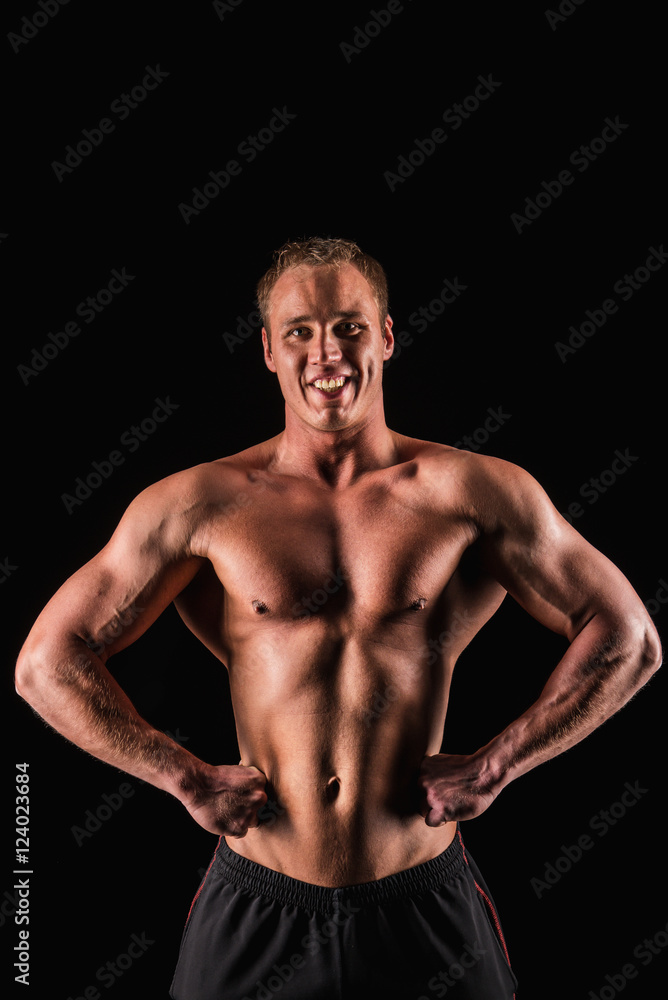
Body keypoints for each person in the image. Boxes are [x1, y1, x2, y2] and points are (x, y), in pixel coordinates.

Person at [15, 237, 662, 999]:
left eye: (350, 326)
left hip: (423, 900)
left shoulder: (472, 493)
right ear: (267, 350)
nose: (327, 352)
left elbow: (630, 638)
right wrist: (183, 777)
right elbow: (46, 663)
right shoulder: (201, 504)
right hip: (258, 900)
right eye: (301, 330)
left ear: (386, 336)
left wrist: (498, 764)